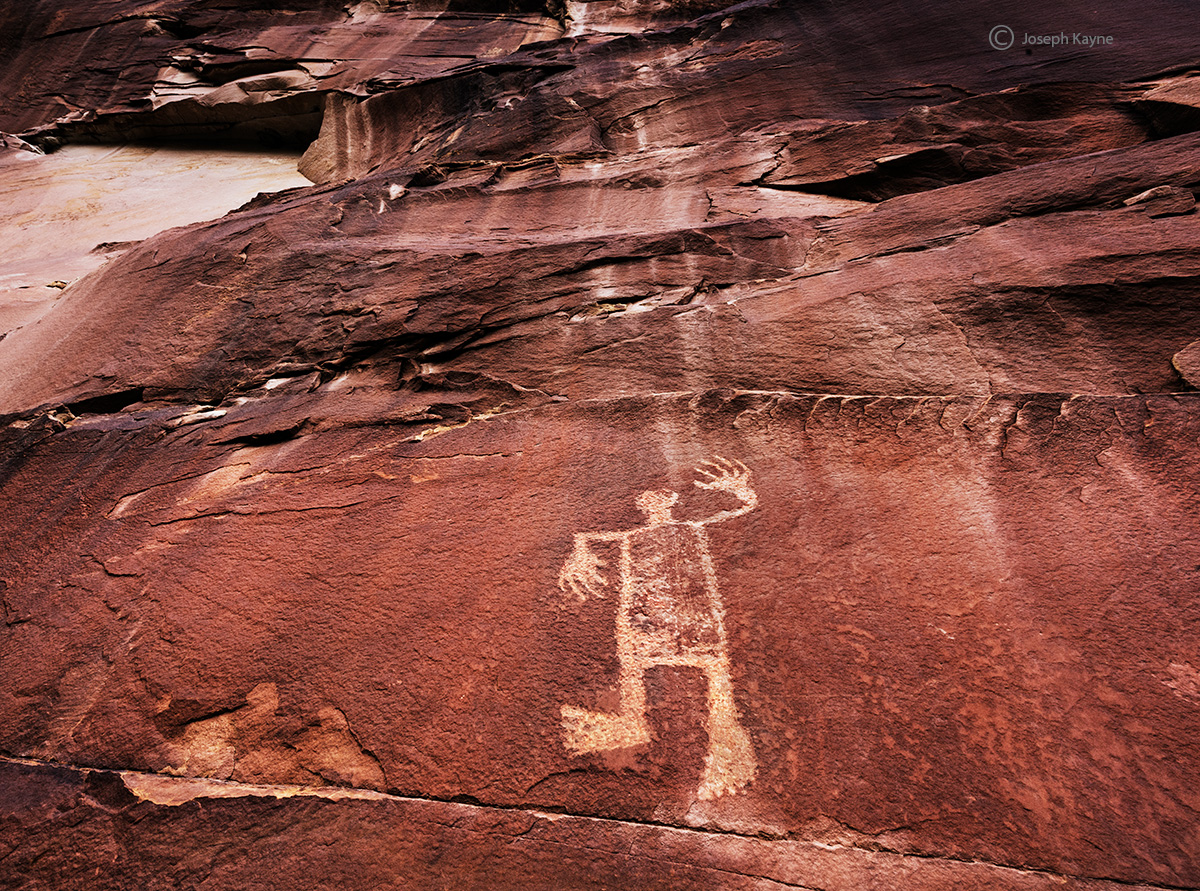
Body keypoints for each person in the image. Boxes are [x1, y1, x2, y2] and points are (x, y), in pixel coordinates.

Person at [558, 456, 757, 800]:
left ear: (672, 503)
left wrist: (740, 491)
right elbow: (586, 535)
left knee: (711, 666)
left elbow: (739, 510)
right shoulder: (634, 534)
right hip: (647, 609)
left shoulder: (689, 527)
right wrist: (578, 553)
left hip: (691, 609)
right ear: (641, 506)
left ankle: (725, 741)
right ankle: (632, 721)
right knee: (637, 661)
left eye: (661, 499)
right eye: (649, 500)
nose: (655, 503)